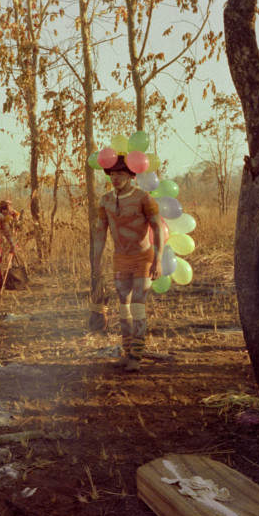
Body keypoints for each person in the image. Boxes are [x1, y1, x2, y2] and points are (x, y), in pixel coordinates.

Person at [91, 155, 163, 372]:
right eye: (112, 174)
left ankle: (136, 357)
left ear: (132, 175)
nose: (115, 177)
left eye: (120, 173)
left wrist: (158, 260)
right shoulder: (105, 200)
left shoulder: (144, 198)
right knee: (123, 307)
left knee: (138, 305)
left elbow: (157, 228)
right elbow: (100, 231)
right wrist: (96, 261)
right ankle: (126, 352)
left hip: (143, 259)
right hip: (120, 260)